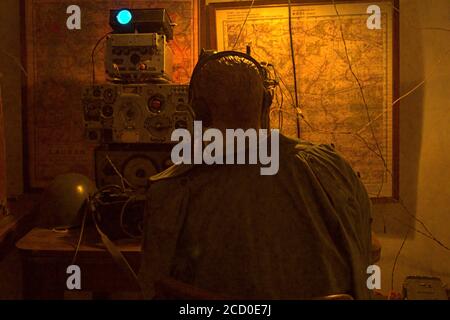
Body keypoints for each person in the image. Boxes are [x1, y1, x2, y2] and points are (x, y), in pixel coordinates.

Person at [138, 52, 373, 299]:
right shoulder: (331, 166)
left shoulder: (171, 189)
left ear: (198, 111)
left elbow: (153, 286)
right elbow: (363, 248)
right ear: (267, 103)